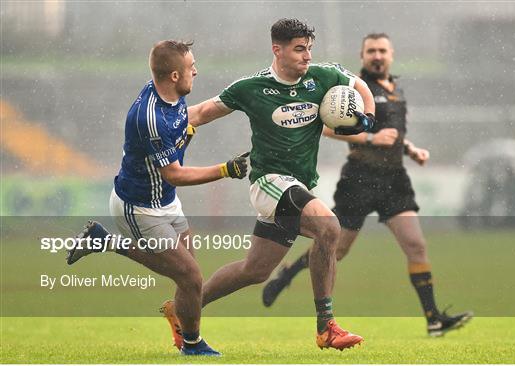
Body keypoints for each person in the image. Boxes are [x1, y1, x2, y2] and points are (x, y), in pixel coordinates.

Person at [162, 18, 376, 351]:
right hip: (268, 183)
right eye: (299, 49)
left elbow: (360, 86)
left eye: (309, 49)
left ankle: (183, 307)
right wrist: (155, 125)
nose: (307, 56)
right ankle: (326, 327)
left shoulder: (322, 76)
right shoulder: (251, 88)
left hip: (296, 187)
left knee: (255, 270)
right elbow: (200, 112)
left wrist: (368, 118)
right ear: (277, 49)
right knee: (329, 228)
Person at [261, 33, 473, 337]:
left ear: (391, 54)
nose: (377, 55)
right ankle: (287, 274)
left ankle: (434, 319)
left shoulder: (396, 89)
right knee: (337, 250)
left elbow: (393, 134)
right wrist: (370, 138)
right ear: (362, 56)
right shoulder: (352, 89)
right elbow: (329, 128)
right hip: (359, 180)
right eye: (371, 51)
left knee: (416, 244)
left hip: (394, 181)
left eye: (382, 50)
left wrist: (411, 149)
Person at [66, 40, 250, 356]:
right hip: (139, 208)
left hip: (166, 201)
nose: (197, 70)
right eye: (191, 67)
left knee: (187, 273)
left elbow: (196, 115)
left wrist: (241, 100)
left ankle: (104, 242)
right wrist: (225, 169)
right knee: (190, 276)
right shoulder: (150, 118)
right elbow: (175, 174)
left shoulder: (169, 95)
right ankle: (192, 344)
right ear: (175, 75)